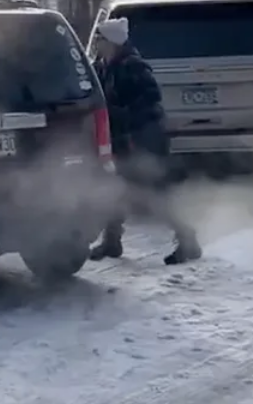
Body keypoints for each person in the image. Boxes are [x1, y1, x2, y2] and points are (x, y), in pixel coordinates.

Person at [86, 17, 203, 265]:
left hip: (143, 139)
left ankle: (188, 241)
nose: (97, 43)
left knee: (154, 193)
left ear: (114, 42)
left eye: (101, 39)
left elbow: (150, 100)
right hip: (120, 138)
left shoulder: (133, 66)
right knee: (114, 190)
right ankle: (112, 241)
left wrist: (122, 114)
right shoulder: (102, 66)